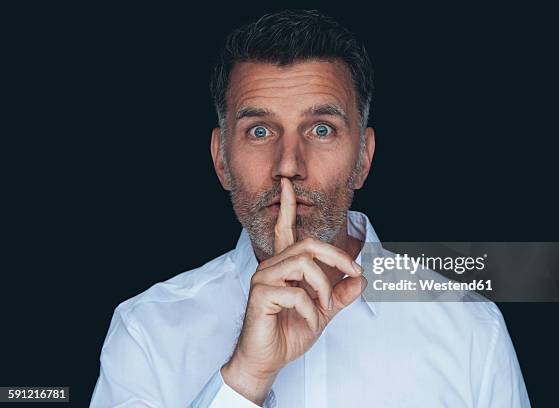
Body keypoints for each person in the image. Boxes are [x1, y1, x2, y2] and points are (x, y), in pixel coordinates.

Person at [91, 9, 530, 407]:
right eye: (260, 131)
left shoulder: (472, 330)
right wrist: (245, 378)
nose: (288, 166)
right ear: (221, 160)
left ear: (364, 159)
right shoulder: (146, 329)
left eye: (321, 129)